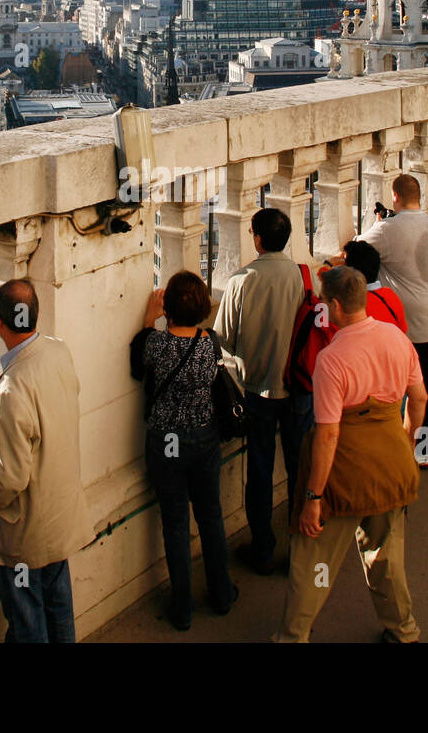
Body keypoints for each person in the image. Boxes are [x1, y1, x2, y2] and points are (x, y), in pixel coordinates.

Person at [275, 266, 428, 643]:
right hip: (392, 458)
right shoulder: (395, 337)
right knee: (386, 556)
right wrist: (406, 441)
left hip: (345, 469)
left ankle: (294, 636)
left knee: (314, 560)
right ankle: (403, 631)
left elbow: (328, 435)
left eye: (326, 303)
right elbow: (420, 398)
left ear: (338, 306)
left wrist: (313, 498)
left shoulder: (333, 358)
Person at [0, 279, 93, 643]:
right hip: (60, 511)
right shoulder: (56, 351)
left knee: (28, 621)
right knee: (59, 605)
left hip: (25, 530)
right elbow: (43, 413)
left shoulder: (14, 386)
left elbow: (9, 480)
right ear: (35, 315)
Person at [129, 271, 237, 630]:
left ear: (169, 308)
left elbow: (138, 359)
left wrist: (150, 316)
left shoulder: (157, 345)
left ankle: (182, 607)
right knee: (210, 516)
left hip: (166, 441)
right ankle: (221, 594)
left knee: (175, 524)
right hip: (204, 436)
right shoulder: (210, 342)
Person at [212, 207, 304, 576]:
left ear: (258, 239)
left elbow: (224, 341)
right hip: (297, 387)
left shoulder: (241, 280)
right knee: (300, 467)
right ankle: (302, 549)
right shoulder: (301, 276)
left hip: (257, 389)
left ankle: (263, 548)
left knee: (261, 470)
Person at [357, 174, 428, 466]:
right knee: (426, 380)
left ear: (395, 195)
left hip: (409, 320)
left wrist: (378, 224)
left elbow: (358, 250)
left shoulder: (388, 229)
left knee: (401, 386)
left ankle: (402, 446)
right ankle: (425, 448)